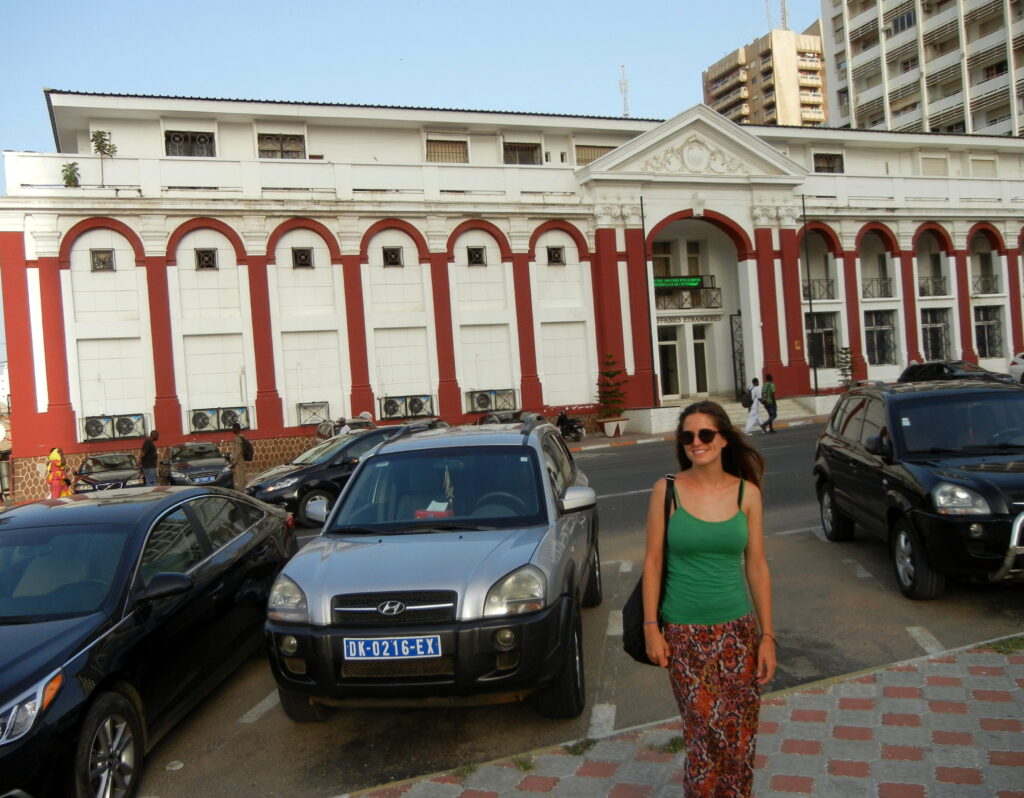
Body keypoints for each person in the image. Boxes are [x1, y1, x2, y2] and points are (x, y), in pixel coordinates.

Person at [642, 400, 776, 797]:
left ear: (722, 439)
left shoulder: (747, 495)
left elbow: (757, 567)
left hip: (738, 633)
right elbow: (652, 562)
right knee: (704, 736)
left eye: (704, 435)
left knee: (739, 737)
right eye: (687, 436)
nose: (696, 443)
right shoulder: (666, 491)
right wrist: (652, 627)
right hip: (684, 635)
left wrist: (767, 636)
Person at [228, 423, 248, 489]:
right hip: (240, 460)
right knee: (242, 477)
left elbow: (238, 451)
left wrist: (234, 462)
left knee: (240, 479)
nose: (232, 429)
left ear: (236, 429)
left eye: (233, 428)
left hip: (238, 461)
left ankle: (242, 493)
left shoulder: (238, 438)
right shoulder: (242, 437)